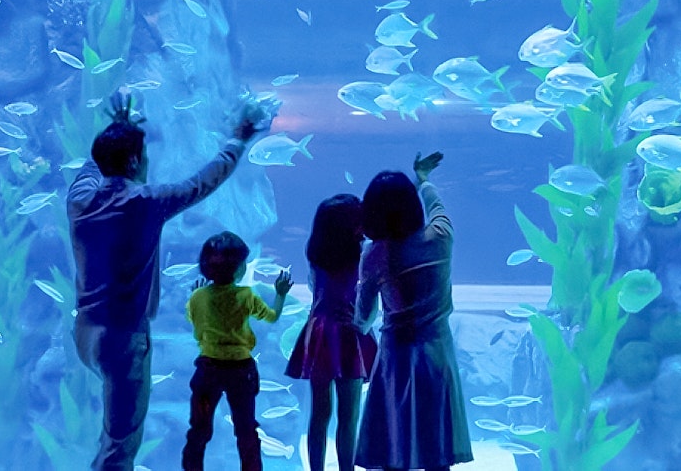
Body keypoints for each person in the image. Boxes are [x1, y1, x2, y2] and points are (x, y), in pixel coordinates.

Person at [67, 89, 273, 471]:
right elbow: (204, 181)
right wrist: (238, 138)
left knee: (110, 434)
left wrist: (120, 125)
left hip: (84, 333)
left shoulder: (78, 200)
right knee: (120, 445)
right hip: (122, 339)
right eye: (142, 156)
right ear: (133, 160)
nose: (146, 163)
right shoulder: (145, 202)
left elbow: (94, 165)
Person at [354, 152, 474, 471]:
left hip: (397, 359)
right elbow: (438, 208)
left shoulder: (376, 254)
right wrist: (423, 181)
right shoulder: (441, 237)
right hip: (437, 354)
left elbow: (363, 318)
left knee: (395, 446)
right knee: (437, 449)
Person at [182, 231, 294, 471]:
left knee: (199, 429)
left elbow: (194, 321)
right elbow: (272, 317)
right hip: (240, 372)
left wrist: (196, 295)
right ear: (239, 268)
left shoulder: (197, 297)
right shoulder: (245, 295)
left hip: (207, 372)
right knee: (246, 430)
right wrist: (280, 294)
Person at [284, 194, 378, 471]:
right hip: (350, 331)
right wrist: (363, 322)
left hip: (320, 330)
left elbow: (315, 288)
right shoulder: (365, 252)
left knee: (319, 413)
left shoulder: (315, 251)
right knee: (349, 416)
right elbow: (369, 297)